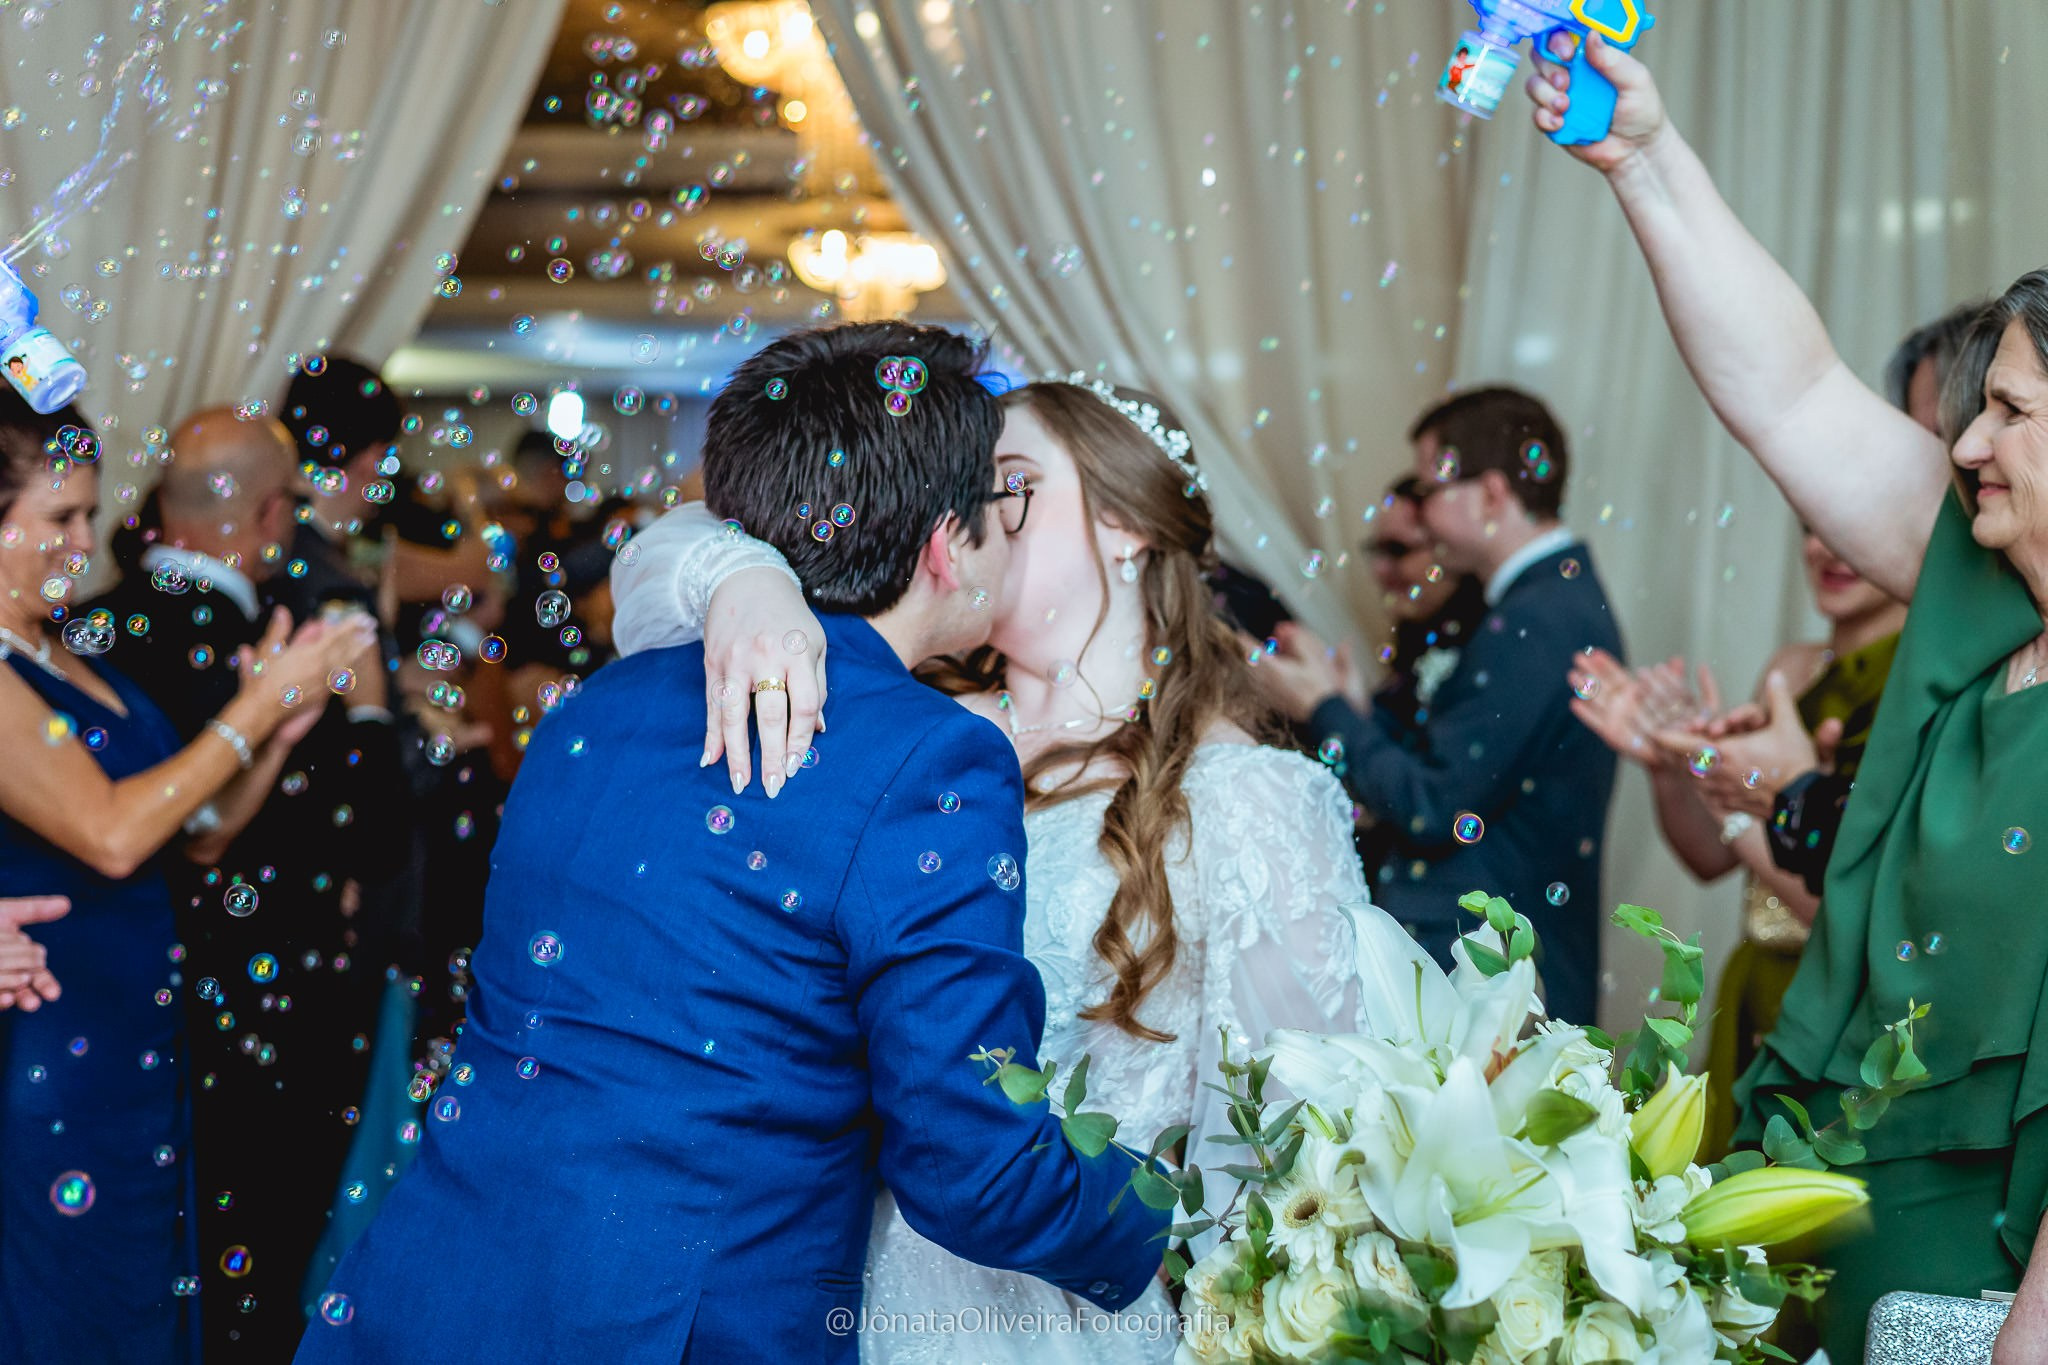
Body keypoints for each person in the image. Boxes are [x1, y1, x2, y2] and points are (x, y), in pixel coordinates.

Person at [295, 324, 1176, 1365]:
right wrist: (1162, 1217)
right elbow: (969, 1169)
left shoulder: (596, 706)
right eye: (1001, 507)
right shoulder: (928, 756)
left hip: (423, 1295)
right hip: (669, 1333)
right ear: (946, 543)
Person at [605, 355, 1386, 1364]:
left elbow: (1295, 1139)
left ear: (1127, 524)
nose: (973, 515)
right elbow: (655, 570)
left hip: (1081, 1310)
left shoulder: (1248, 799)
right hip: (835, 1284)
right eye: (966, 491)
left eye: (1011, 488)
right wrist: (747, 580)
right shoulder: (893, 732)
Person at [1527, 32, 2048, 1362]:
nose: (1970, 444)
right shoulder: (1982, 611)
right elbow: (1797, 391)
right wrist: (1645, 161)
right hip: (1859, 1243)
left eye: (2015, 414)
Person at [0, 404, 365, 1362]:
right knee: (73, 1313)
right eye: (59, 520)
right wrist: (252, 707)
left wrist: (272, 743)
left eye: (88, 516)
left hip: (137, 1037)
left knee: (148, 1303)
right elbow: (113, 835)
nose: (87, 541)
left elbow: (192, 837)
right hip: (52, 1040)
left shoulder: (64, 649)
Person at [1567, 308, 1976, 1159]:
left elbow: (1846, 898)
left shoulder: (1936, 672)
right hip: (1756, 987)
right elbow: (1711, 859)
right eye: (1810, 520)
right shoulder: (1793, 668)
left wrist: (1760, 800)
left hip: (1845, 995)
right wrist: (1670, 764)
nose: (1828, 542)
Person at [1245, 387, 1622, 1025]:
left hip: (1490, 974)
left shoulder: (1539, 618)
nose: (1421, 511)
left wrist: (1325, 707)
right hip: (1486, 961)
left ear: (1492, 495)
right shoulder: (1539, 604)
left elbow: (1435, 806)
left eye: (1429, 489)